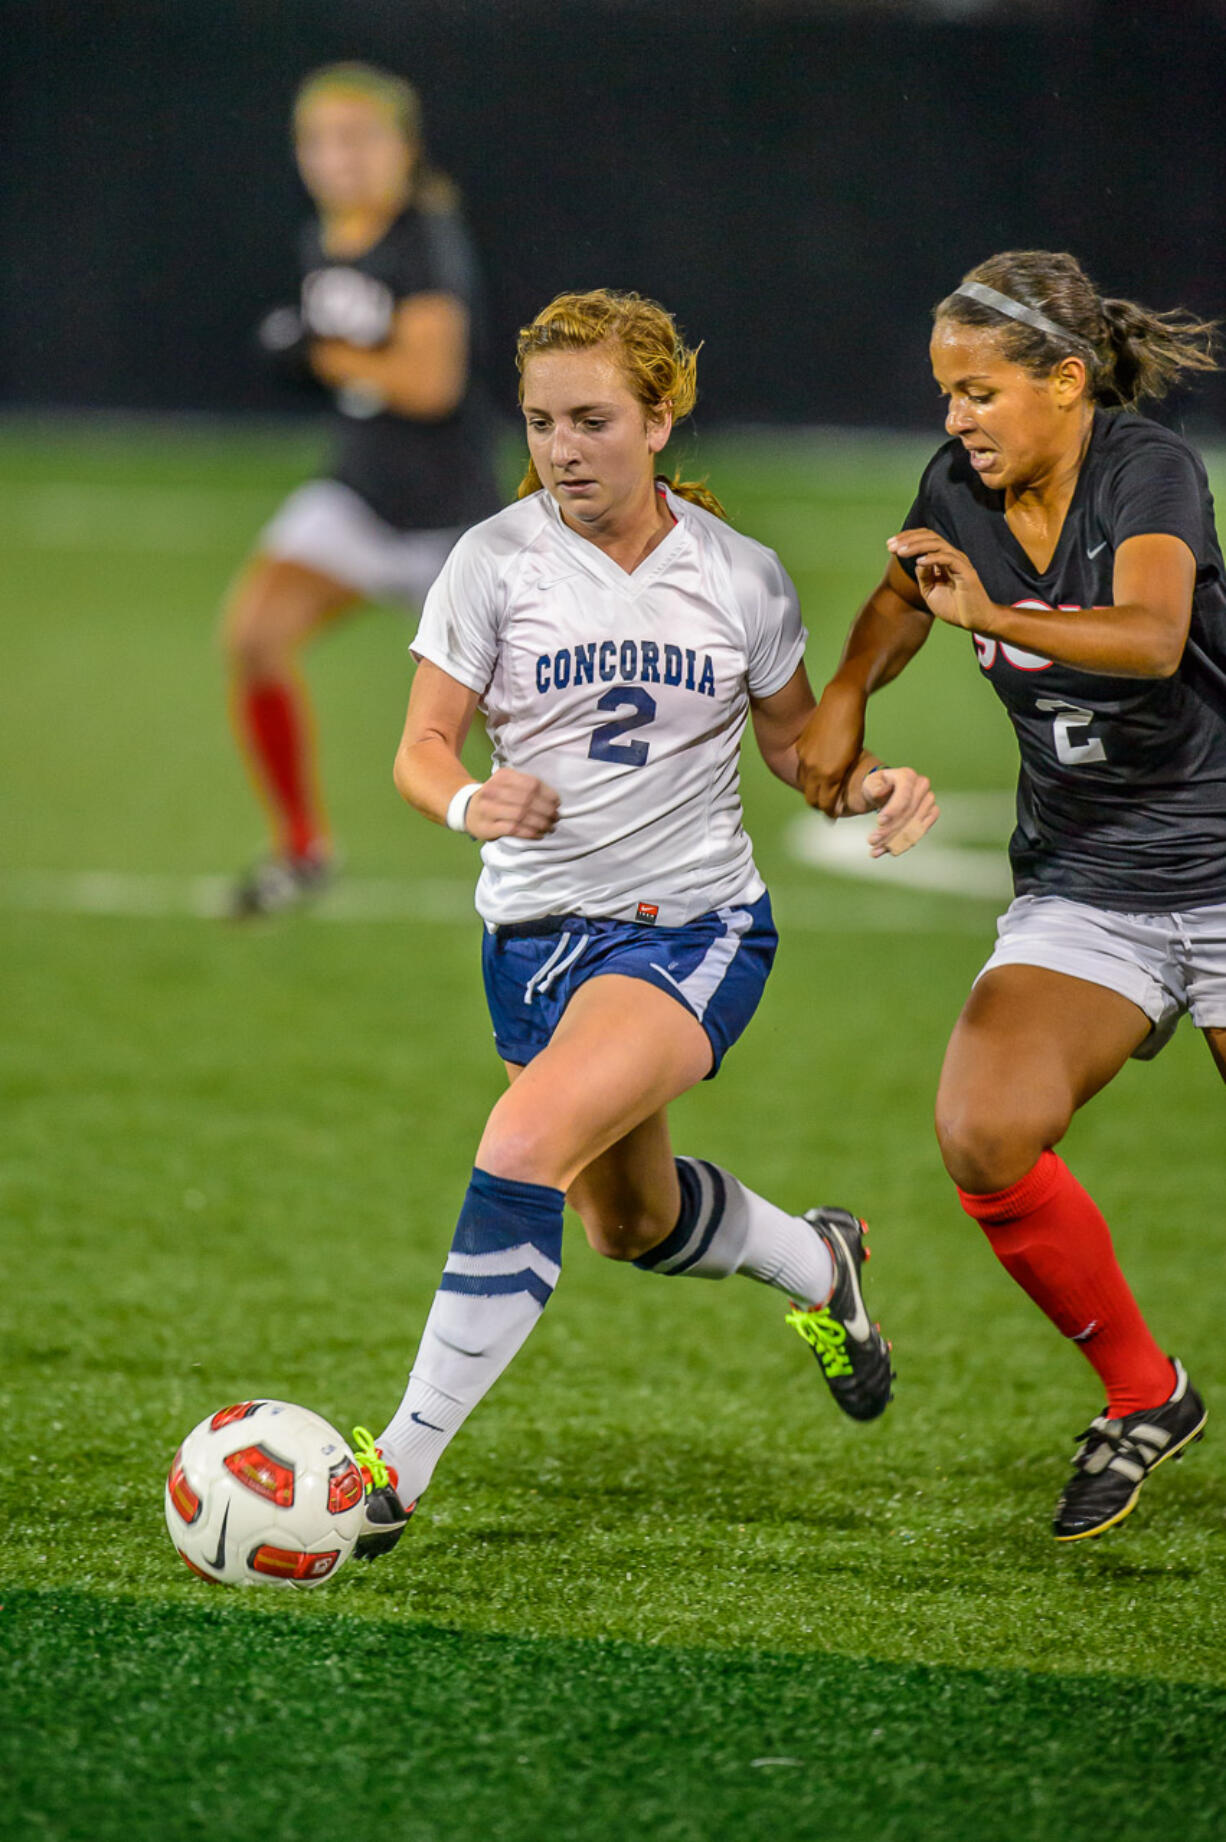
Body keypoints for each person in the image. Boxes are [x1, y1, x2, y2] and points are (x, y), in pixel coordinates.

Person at [348, 288, 938, 1559]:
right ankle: (817, 1263)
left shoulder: (738, 577)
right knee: (631, 1222)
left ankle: (393, 1470)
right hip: (531, 944)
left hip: (690, 927)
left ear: (660, 418)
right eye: (542, 422)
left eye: (594, 419)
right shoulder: (491, 561)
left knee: (520, 1146)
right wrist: (464, 800)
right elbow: (417, 747)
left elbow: (795, 752)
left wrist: (867, 780)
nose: (564, 448)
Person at [798, 249, 1224, 1543]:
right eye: (943, 393)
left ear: (1065, 381)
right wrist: (846, 691)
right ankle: (1142, 1393)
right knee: (981, 1129)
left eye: (978, 392)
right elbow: (901, 591)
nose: (953, 420)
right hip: (1087, 879)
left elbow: (1150, 637)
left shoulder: (1142, 470)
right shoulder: (957, 489)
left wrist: (997, 606)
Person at [221, 62, 501, 916]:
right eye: (318, 140)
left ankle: (598, 861)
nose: (336, 158)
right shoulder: (327, 235)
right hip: (361, 497)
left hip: (447, 524)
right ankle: (302, 851)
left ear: (403, 149)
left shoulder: (422, 239)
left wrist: (313, 352)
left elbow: (430, 384)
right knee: (253, 635)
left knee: (518, 717)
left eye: (357, 138)